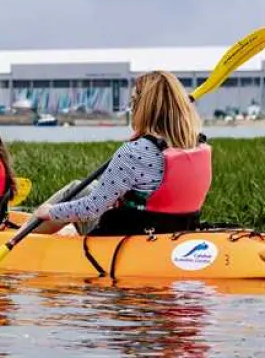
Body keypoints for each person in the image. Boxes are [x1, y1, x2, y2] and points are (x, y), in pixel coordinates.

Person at [33, 70, 212, 236]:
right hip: (177, 231)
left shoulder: (135, 151)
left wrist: (50, 212)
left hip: (130, 237)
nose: (131, 108)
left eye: (134, 101)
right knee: (88, 187)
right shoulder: (198, 145)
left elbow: (91, 209)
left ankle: (24, 239)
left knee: (75, 189)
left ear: (143, 107)